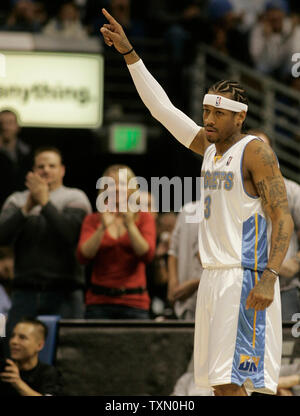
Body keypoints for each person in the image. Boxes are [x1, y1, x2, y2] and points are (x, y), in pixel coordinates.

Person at [99, 8, 294, 396]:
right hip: (213, 278)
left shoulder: (255, 151)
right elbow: (162, 110)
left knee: (241, 384)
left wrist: (270, 278)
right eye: (205, 111)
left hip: (245, 277)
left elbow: (283, 218)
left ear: (238, 118)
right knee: (220, 386)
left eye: (217, 113)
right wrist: (130, 54)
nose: (207, 119)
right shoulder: (209, 148)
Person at [0, 146, 92, 338]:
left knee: (68, 357)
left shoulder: (75, 197)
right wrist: (25, 210)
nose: (46, 170)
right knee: (16, 354)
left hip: (65, 292)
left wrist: (44, 203)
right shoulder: (17, 200)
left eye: (52, 165)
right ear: (33, 171)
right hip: (25, 292)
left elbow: (70, 235)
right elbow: (2, 237)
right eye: (41, 166)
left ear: (62, 170)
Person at [77, 164, 156, 319]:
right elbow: (83, 256)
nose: (116, 189)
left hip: (134, 303)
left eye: (121, 184)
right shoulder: (93, 220)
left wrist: (130, 225)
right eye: (110, 184)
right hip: (99, 302)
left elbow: (147, 255)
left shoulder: (144, 218)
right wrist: (101, 228)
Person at [248, 128, 300, 321]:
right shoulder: (235, 191)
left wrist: (295, 262)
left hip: (284, 286)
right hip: (245, 285)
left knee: (286, 348)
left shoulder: (292, 190)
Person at [0, 318, 63, 396]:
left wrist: (18, 383)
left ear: (39, 345)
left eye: (22, 337)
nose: (14, 341)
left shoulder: (49, 374)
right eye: (12, 336)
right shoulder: (5, 370)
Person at [0, 109, 32, 209]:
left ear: (18, 127)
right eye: (1, 123)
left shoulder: (28, 154)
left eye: (10, 123)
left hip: (21, 205)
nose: (5, 127)